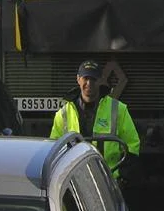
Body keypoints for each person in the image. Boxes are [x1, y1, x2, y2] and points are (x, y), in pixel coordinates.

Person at [49, 60, 142, 196]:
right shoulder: (62, 114)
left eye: (93, 79)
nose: (89, 84)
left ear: (100, 80)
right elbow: (54, 150)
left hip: (109, 183)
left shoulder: (119, 110)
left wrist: (122, 178)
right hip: (74, 184)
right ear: (78, 79)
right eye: (86, 78)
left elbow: (132, 146)